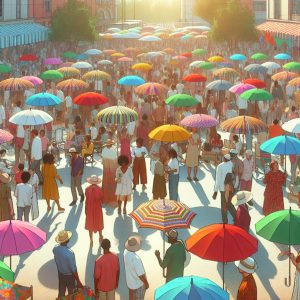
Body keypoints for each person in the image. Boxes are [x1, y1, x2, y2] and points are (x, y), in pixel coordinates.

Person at [53, 230, 83, 298]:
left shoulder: (55, 249)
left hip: (60, 274)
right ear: (67, 240)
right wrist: (78, 281)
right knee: (71, 294)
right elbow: (74, 270)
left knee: (61, 293)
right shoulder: (70, 253)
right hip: (69, 276)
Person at [124, 236, 149, 300]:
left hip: (130, 283)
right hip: (138, 285)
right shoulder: (136, 259)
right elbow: (141, 275)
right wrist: (146, 283)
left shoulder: (125, 252)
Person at [213, 154, 236, 224]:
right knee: (230, 203)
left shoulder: (220, 166)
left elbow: (218, 180)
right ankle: (237, 217)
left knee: (224, 206)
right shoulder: (232, 164)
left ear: (224, 159)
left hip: (223, 189)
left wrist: (215, 191)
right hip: (230, 188)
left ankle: (225, 222)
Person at [85, 175, 104, 247]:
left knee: (90, 223)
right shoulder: (100, 189)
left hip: (89, 208)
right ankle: (100, 236)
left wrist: (86, 210)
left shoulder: (87, 189)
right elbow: (102, 199)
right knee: (99, 222)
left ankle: (91, 240)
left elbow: (86, 199)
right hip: (97, 209)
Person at [102, 139, 118, 206]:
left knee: (106, 183)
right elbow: (115, 161)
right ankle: (112, 198)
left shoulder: (104, 150)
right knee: (112, 184)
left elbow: (102, 160)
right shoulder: (113, 150)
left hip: (106, 169)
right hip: (112, 170)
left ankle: (105, 198)